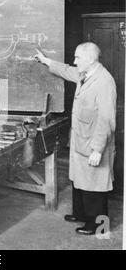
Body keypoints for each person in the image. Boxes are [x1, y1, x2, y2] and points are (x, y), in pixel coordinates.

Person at [33, 42, 116, 235]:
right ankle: (81, 215)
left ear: (90, 59)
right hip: (80, 140)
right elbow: (66, 70)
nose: (74, 61)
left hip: (94, 143)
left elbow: (107, 119)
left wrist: (97, 149)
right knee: (80, 180)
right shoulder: (85, 74)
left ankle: (100, 227)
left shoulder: (104, 82)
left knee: (95, 187)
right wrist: (46, 61)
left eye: (78, 57)